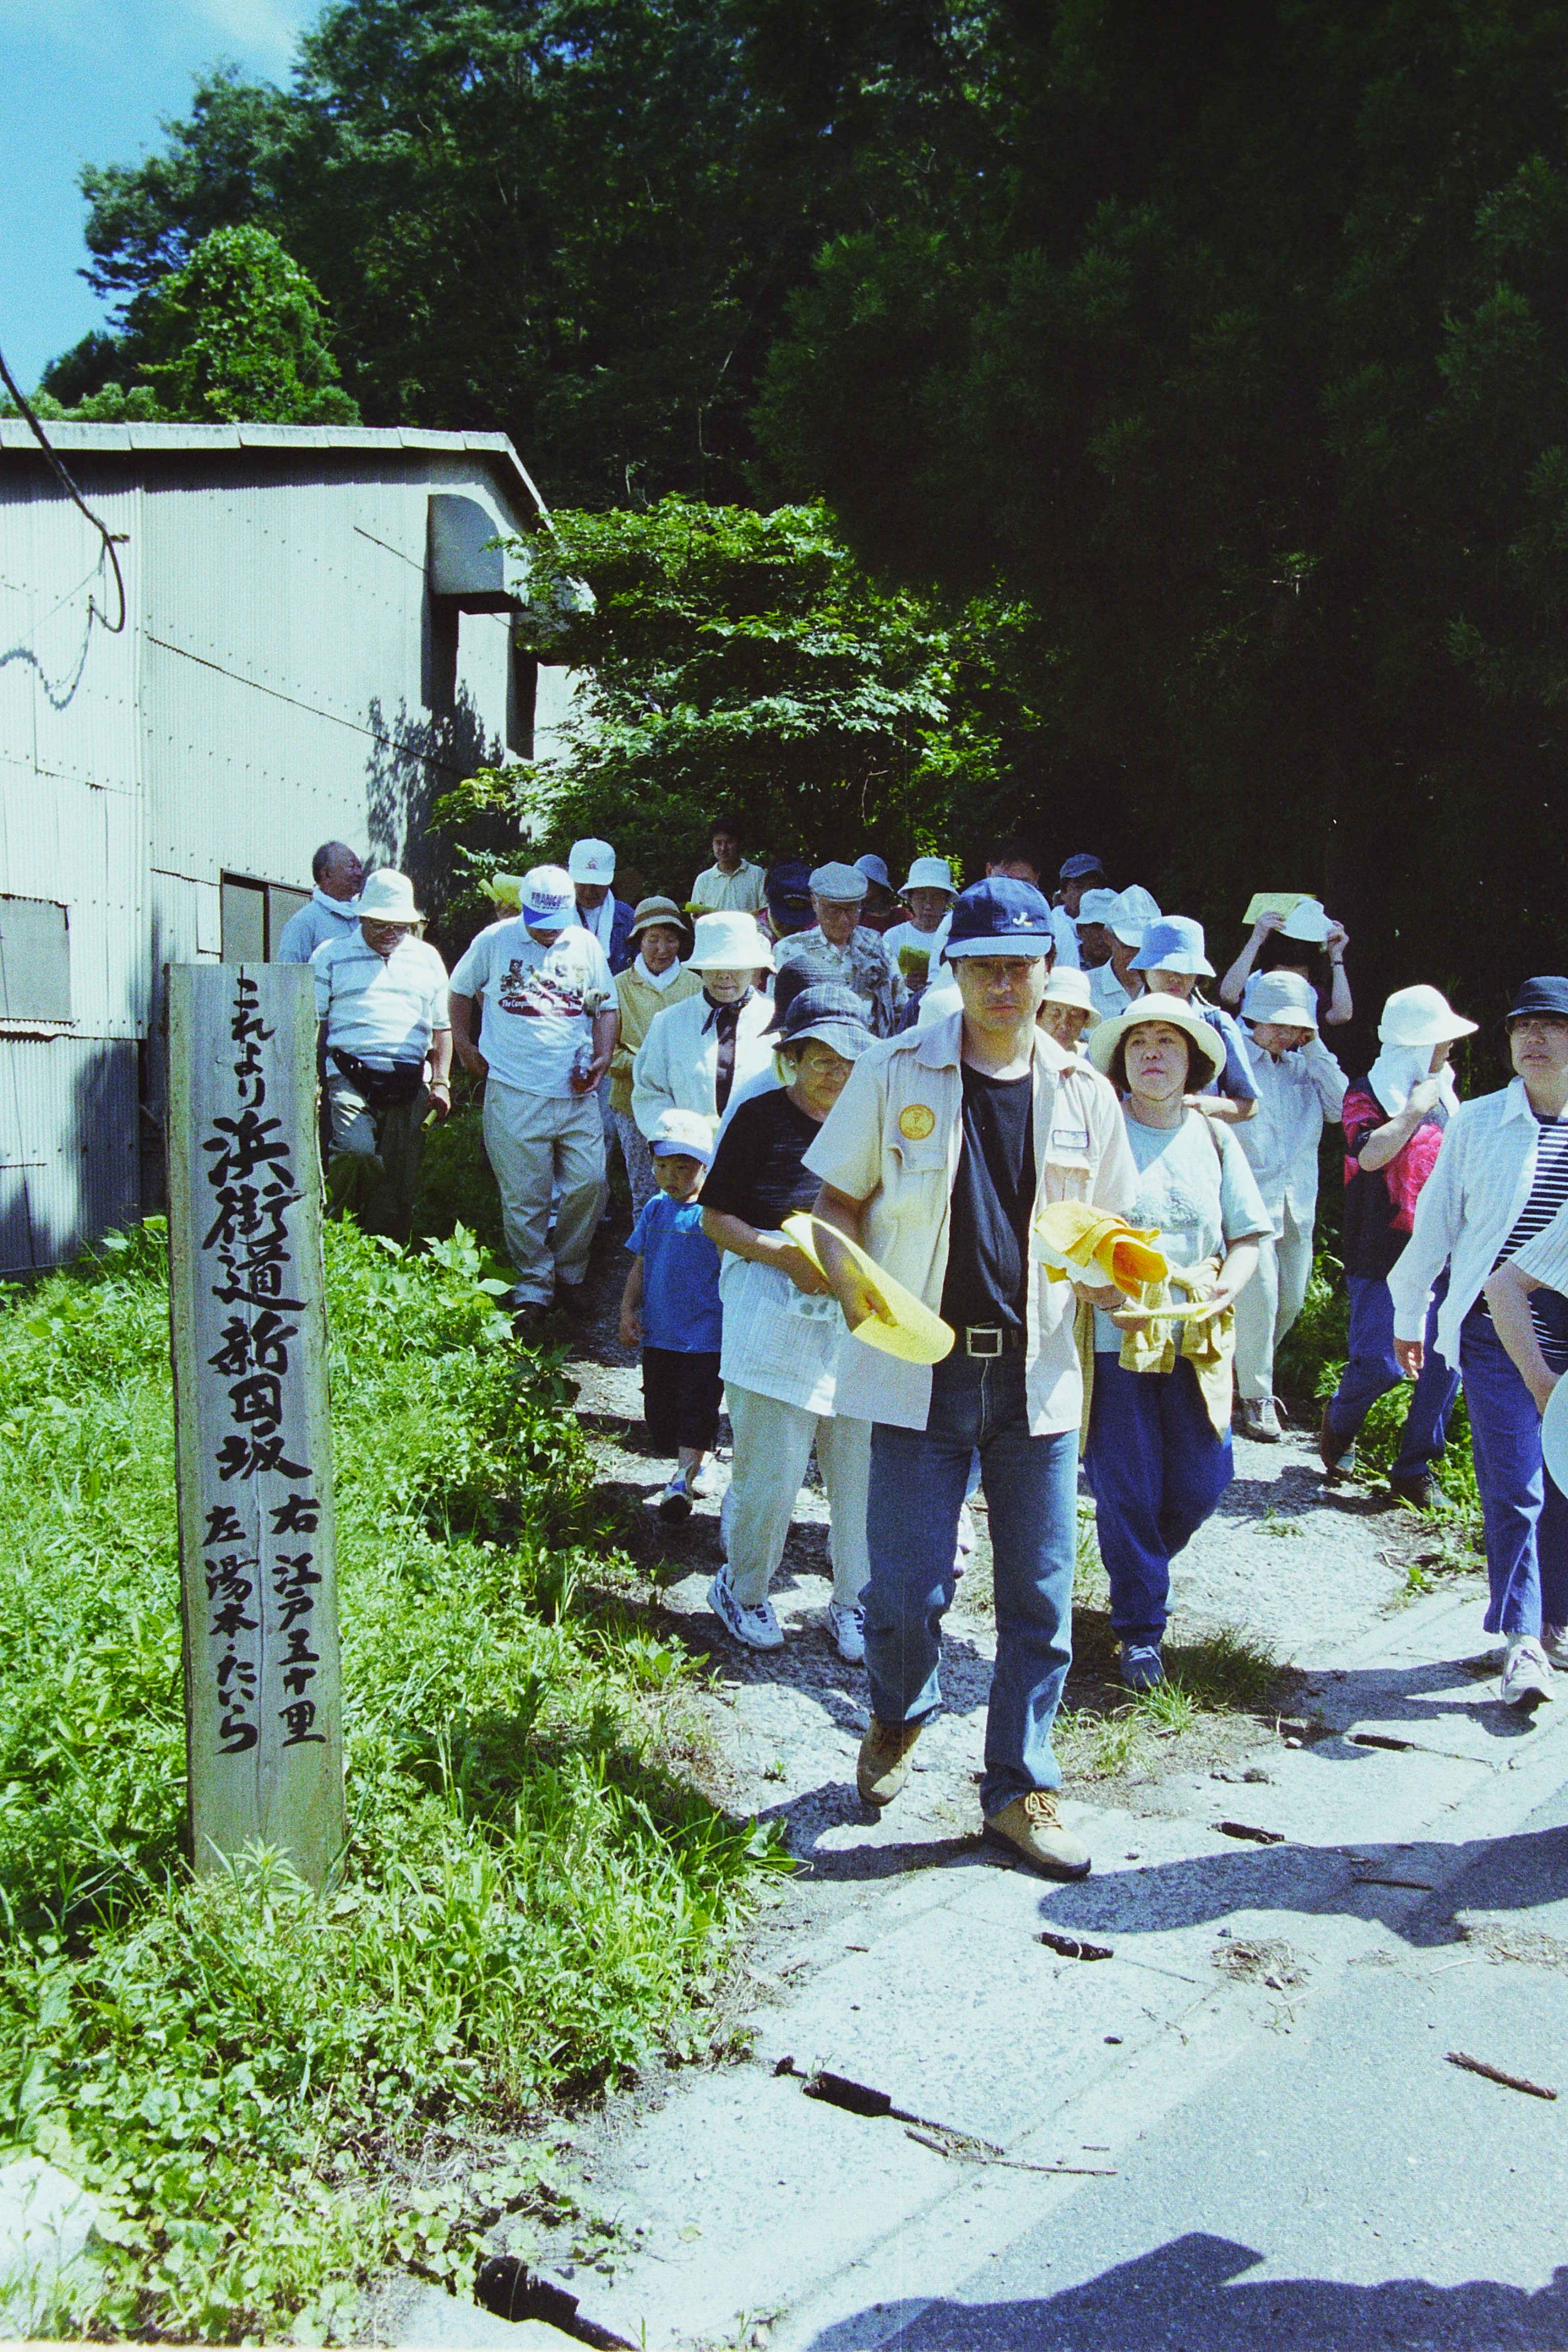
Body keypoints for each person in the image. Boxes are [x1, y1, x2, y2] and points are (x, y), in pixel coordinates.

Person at [805, 876, 1139, 1880]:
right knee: (904, 1592)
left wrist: (1143, 1296)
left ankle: (1019, 1787)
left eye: (1021, 963)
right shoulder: (893, 1070)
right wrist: (860, 1299)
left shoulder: (1087, 1094)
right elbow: (833, 1205)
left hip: (1036, 1378)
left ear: (1048, 970)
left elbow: (1116, 1244)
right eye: (984, 963)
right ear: (953, 968)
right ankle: (899, 1711)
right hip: (919, 1374)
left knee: (1040, 1594)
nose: (1004, 981)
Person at [1391, 977, 1568, 1707]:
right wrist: (1411, 1313)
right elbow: (1436, 1223)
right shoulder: (1480, 1122)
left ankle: (1556, 1621)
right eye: (1522, 1026)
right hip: (1495, 1334)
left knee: (1564, 1488)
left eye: (1552, 1027)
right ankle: (1521, 1642)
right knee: (1516, 1485)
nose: (1534, 1038)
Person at [1084, 998, 1270, 1687]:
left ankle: (1138, 1570)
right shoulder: (1100, 1133)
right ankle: (1139, 1632)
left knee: (1203, 1480)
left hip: (1197, 1335)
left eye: (1169, 1041)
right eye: (1140, 1043)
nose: (1154, 1053)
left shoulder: (1214, 1138)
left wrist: (1230, 1287)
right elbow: (1063, 1232)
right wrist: (1101, 1292)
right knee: (1127, 1487)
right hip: (1118, 1337)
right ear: (1121, 1059)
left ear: (1193, 1061)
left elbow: (1248, 1235)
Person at [701, 986, 878, 1662]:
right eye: (821, 1057)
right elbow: (715, 1217)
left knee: (860, 1475)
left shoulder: (878, 1123)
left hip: (856, 1319)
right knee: (770, 1477)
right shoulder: (758, 1118)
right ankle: (743, 1590)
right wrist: (776, 1251)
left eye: (849, 1059)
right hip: (771, 1307)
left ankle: (853, 1604)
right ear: (794, 1058)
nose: (835, 1073)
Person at [1319, 985, 1474, 1505]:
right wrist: (1412, 1111)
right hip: (1380, 1251)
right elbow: (1367, 1155)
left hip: (1444, 1250)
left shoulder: (1448, 1093)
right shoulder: (1368, 1091)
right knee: (1380, 1362)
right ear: (1417, 1043)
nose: (1448, 1049)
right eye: (1440, 1039)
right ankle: (1340, 1422)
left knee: (1444, 1360)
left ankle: (1413, 1468)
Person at [449, 863, 616, 1327]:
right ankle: (534, 1287)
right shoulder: (494, 940)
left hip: (575, 1088)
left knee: (589, 1183)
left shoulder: (584, 942)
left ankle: (571, 1269)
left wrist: (602, 1055)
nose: (548, 935)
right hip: (514, 1089)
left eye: (556, 926)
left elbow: (606, 1005)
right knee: (526, 1196)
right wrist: (464, 1046)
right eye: (539, 927)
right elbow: (459, 992)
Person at [1231, 970, 1348, 1440]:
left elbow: (1342, 1109)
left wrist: (1315, 1044)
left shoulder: (1305, 1067)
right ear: (1254, 1017)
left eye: (1294, 1026)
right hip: (1248, 1200)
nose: (1284, 1034)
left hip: (1297, 1200)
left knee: (1291, 1301)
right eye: (1275, 1023)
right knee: (1259, 1298)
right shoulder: (1234, 1059)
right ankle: (1257, 1398)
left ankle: (1239, 1374)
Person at [310, 868, 451, 1241]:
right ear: (362, 918)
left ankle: (384, 1248)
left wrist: (442, 1082)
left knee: (400, 1175)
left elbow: (442, 1027)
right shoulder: (330, 955)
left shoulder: (427, 959)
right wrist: (310, 1078)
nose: (391, 933)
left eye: (400, 926)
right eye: (381, 925)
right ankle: (337, 1228)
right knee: (355, 1151)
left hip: (408, 1076)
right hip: (348, 1071)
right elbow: (313, 1023)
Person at [619, 1107, 724, 1524]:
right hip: (660, 1334)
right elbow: (642, 1264)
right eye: (662, 1165)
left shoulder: (715, 1215)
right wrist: (628, 1309)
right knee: (661, 1416)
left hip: (706, 1336)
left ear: (705, 1165)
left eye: (683, 1167)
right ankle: (698, 1457)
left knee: (697, 1406)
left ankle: (682, 1480)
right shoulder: (655, 1211)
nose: (671, 1176)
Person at [631, 911, 777, 1146]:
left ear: (753, 968)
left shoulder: (776, 1022)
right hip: (689, 1159)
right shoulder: (669, 1023)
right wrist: (680, 1136)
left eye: (735, 966)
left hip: (760, 1158)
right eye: (714, 966)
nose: (724, 975)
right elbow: (650, 1093)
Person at [610, 898, 702, 1216]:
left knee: (691, 1187)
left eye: (671, 939)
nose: (663, 949)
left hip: (687, 1104)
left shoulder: (696, 985)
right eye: (653, 939)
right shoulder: (619, 987)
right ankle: (647, 1259)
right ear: (638, 941)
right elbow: (606, 1053)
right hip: (631, 1104)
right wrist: (646, 1068)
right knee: (646, 1189)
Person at [1126, 918, 1259, 1125]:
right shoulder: (1122, 1023)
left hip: (1198, 1145)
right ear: (1144, 970)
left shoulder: (1217, 1024)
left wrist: (1211, 1106)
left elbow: (1249, 1105)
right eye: (1165, 968)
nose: (1176, 978)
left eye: (1186, 970)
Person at [774, 861, 908, 1036]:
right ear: (815, 903)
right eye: (834, 910)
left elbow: (900, 1007)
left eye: (852, 910)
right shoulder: (790, 950)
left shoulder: (878, 947)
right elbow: (779, 1020)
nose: (844, 920)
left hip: (870, 1053)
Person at [1219, 898, 1353, 1027]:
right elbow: (1228, 995)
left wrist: (1337, 956)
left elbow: (1342, 1015)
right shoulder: (1251, 984)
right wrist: (1257, 938)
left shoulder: (1312, 996)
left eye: (1298, 978)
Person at [986, 835, 1079, 970]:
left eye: (1023, 883)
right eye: (1004, 881)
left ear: (1036, 878)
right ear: (989, 871)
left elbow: (1069, 987)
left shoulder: (1057, 929)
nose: (1012, 891)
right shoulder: (960, 921)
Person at [276, 841, 364, 963]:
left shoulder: (364, 919)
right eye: (351, 867)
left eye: (359, 867)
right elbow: (289, 976)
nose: (359, 874)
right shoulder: (304, 922)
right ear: (327, 874)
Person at [881, 856, 958, 994]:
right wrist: (903, 984)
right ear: (910, 899)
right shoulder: (893, 937)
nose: (928, 906)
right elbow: (880, 984)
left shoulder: (956, 936)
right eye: (921, 898)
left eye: (936, 898)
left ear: (946, 901)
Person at [568, 838, 635, 974]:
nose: (589, 892)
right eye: (582, 883)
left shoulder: (627, 918)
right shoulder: (554, 915)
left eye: (597, 885)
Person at [690, 814, 767, 915]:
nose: (723, 848)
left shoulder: (756, 875)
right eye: (718, 843)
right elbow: (696, 919)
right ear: (712, 845)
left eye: (729, 842)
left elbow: (765, 912)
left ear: (739, 843)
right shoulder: (704, 880)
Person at [1037, 965, 1099, 1056]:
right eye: (1055, 1015)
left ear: (1084, 1020)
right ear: (1038, 1016)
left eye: (1074, 1015)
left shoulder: (1090, 1058)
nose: (1064, 1024)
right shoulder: (1020, 1057)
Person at [759, 857, 816, 944]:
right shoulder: (751, 932)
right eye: (782, 920)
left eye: (800, 920)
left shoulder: (819, 930)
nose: (790, 926)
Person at [853, 853, 900, 933]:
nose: (861, 885)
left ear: (879, 884)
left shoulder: (900, 916)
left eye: (866, 880)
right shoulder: (853, 916)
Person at [1057, 853, 1108, 920]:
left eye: (1094, 887)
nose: (1087, 894)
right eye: (1079, 887)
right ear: (1063, 893)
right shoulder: (1052, 926)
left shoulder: (1113, 924)